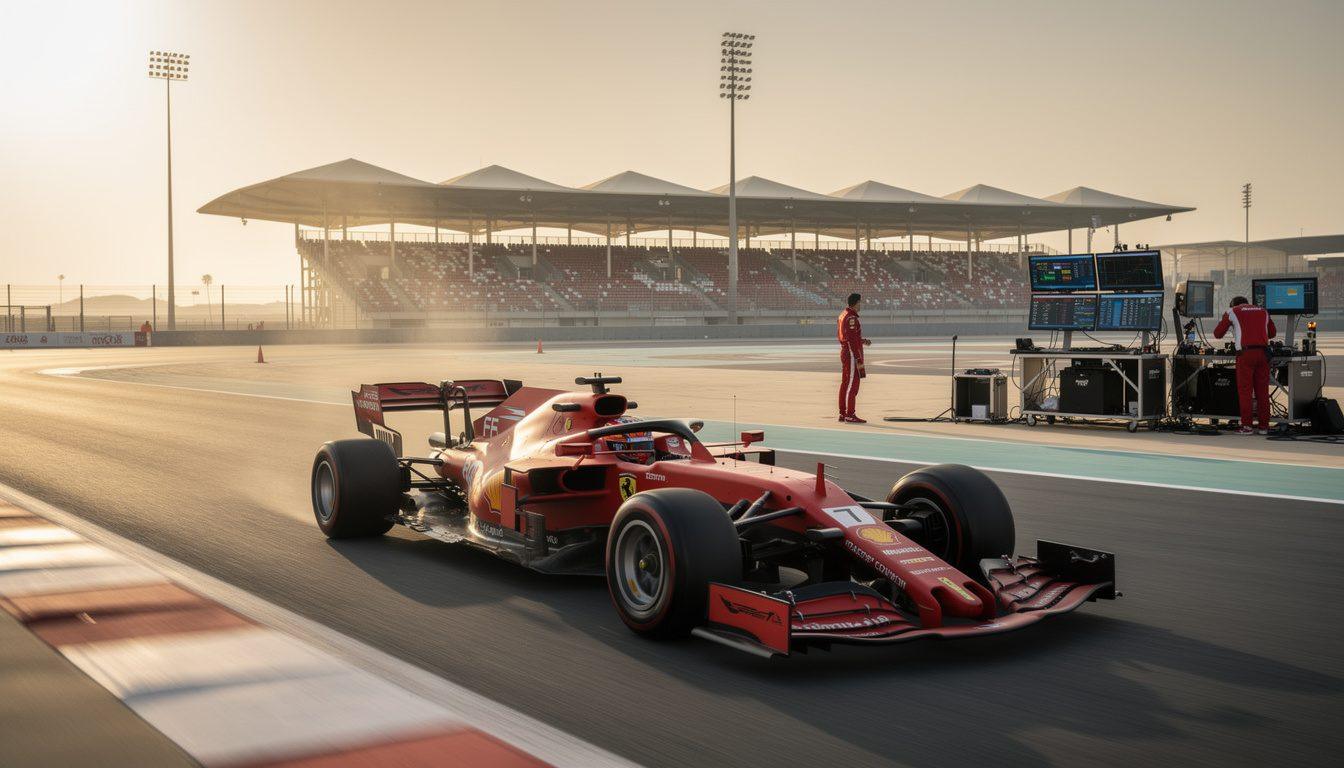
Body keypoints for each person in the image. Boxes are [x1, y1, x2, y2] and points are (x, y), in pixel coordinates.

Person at [1213, 295, 1277, 435]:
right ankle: (1264, 427)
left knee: (1245, 392)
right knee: (1262, 392)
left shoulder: (1232, 311)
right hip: (1263, 354)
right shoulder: (1263, 311)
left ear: (1233, 305)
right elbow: (1272, 333)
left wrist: (1231, 324)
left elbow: (1217, 334)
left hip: (1245, 354)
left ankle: (1247, 426)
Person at [837, 292, 872, 423]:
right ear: (856, 303)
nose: (860, 305)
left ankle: (843, 413)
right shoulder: (851, 318)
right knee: (852, 384)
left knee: (845, 383)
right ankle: (850, 414)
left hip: (846, 352)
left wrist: (862, 341)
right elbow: (851, 339)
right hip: (852, 354)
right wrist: (857, 357)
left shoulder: (842, 315)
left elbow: (850, 336)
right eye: (860, 302)